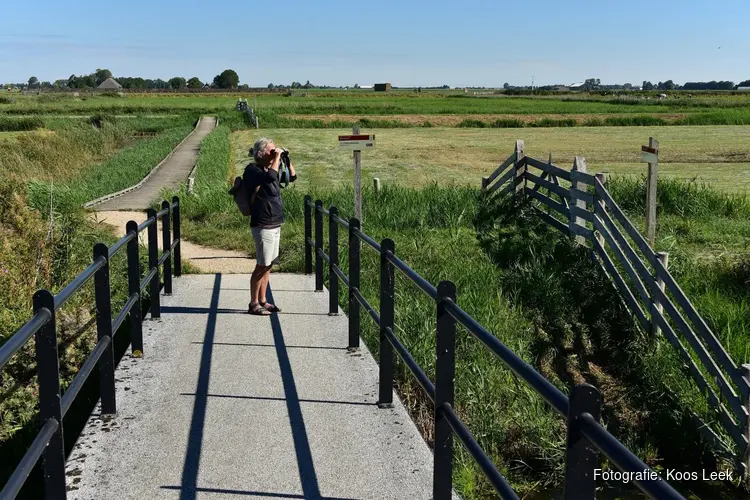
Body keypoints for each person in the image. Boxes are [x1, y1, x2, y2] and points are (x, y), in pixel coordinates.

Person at [244, 137, 297, 315]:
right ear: (260, 153)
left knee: (269, 265)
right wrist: (276, 159)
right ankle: (253, 303)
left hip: (275, 222)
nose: (274, 153)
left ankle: (263, 300)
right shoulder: (252, 170)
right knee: (261, 264)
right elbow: (270, 178)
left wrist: (286, 160)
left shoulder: (269, 168)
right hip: (263, 224)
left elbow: (292, 177)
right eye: (270, 150)